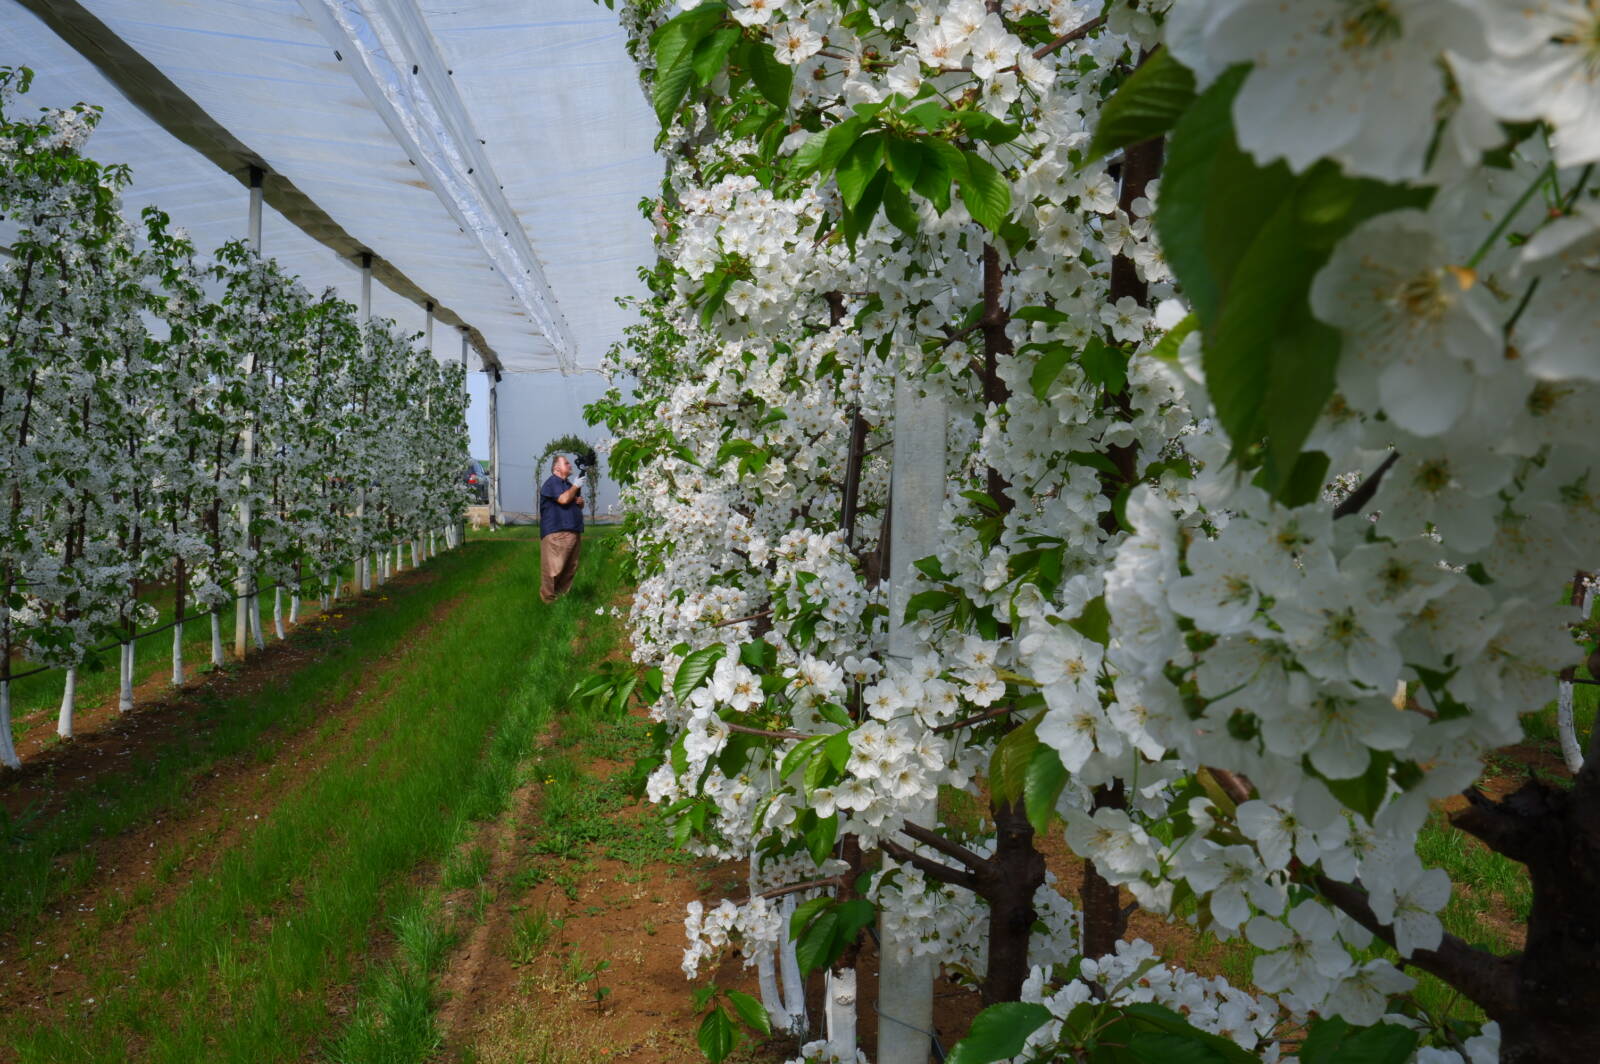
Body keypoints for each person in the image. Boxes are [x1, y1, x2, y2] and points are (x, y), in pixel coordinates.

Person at [539, 454, 585, 603]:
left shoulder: (567, 484)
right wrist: (576, 486)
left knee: (569, 569)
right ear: (556, 468)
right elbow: (564, 499)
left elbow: (571, 500)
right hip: (557, 532)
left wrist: (579, 502)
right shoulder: (551, 483)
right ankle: (548, 601)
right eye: (566, 463)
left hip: (572, 530)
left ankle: (561, 600)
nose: (570, 465)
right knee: (554, 570)